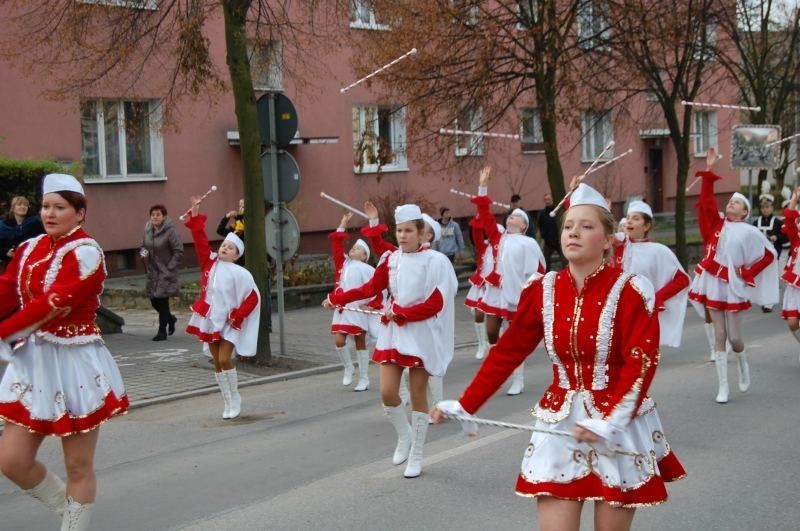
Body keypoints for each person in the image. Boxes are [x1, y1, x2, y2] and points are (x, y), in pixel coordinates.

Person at [432, 181, 685, 530]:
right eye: (568, 226)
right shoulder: (543, 289)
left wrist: (612, 421)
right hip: (560, 421)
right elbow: (508, 351)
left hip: (617, 425)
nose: (573, 233)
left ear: (608, 239)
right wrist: (467, 404)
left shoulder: (631, 291)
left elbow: (640, 363)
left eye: (587, 226)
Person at [0, 173, 128, 531]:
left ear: (80, 212)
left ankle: (74, 523)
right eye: (45, 206)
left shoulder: (87, 254)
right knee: (11, 460)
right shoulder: (29, 249)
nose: (49, 214)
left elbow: (51, 303)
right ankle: (68, 509)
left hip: (75, 363)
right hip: (34, 361)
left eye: (60, 207)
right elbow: (7, 290)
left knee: (77, 465)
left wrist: (4, 333)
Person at [324, 204, 457, 478]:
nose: (403, 235)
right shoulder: (391, 260)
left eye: (409, 230)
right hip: (394, 333)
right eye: (399, 230)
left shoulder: (436, 261)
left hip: (421, 335)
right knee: (387, 392)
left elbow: (437, 302)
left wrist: (403, 312)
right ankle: (404, 434)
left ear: (421, 234)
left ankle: (417, 454)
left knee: (418, 393)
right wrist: (337, 298)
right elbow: (370, 288)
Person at [688, 148, 779, 404]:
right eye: (730, 201)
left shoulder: (750, 232)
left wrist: (748, 272)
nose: (731, 204)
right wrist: (709, 172)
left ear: (744, 212)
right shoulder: (716, 224)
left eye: (736, 203)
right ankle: (723, 386)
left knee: (735, 338)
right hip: (714, 283)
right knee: (719, 335)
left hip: (734, 287)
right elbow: (706, 203)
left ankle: (742, 362)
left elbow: (769, 254)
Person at [184, 197, 260, 419]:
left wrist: (239, 315)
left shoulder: (241, 273)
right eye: (224, 245)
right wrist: (195, 215)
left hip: (230, 321)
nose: (225, 248)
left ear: (237, 255)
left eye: (230, 247)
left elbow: (253, 297)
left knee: (226, 358)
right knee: (217, 361)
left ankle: (235, 396)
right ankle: (226, 400)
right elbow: (200, 241)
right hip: (210, 318)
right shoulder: (210, 263)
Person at [475, 166, 545, 395]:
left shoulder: (529, 244)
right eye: (510, 215)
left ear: (524, 226)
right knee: (492, 332)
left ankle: (518, 379)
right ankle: (497, 368)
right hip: (496, 292)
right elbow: (485, 215)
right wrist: (483, 186)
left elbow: (538, 271)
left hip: (517, 295)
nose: (511, 218)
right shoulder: (497, 237)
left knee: (514, 338)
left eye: (516, 217)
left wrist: (529, 294)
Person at [614, 200, 690, 348]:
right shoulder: (616, 247)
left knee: (637, 353)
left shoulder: (658, 251)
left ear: (646, 226)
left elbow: (682, 280)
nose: (629, 221)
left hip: (641, 311)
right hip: (616, 308)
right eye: (628, 217)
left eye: (636, 218)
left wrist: (658, 297)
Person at [328, 212, 376, 392]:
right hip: (342, 307)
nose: (353, 250)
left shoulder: (368, 269)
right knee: (339, 340)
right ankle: (348, 367)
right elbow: (336, 245)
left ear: (365, 256)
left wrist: (372, 304)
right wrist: (342, 224)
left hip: (358, 309)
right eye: (353, 247)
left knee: (359, 342)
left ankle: (364, 378)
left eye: (358, 249)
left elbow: (378, 288)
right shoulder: (343, 264)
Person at [141, 204, 183, 341]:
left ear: (164, 216)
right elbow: (144, 246)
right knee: (154, 301)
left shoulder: (170, 231)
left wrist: (170, 267)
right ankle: (170, 319)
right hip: (152, 272)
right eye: (153, 215)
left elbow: (178, 250)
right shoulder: (148, 230)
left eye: (158, 214)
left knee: (162, 300)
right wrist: (143, 255)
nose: (155, 217)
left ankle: (162, 331)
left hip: (165, 272)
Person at [752, 193, 786, 312]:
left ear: (772, 208)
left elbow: (786, 236)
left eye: (767, 207)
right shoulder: (756, 223)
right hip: (760, 256)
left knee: (771, 278)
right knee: (761, 279)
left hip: (773, 255)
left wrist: (777, 237)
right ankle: (763, 299)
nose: (765, 209)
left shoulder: (778, 222)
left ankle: (770, 302)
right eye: (763, 207)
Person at [779, 187, 800, 362]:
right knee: (793, 323)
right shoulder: (796, 236)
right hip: (796, 283)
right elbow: (789, 220)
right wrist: (795, 198)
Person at [0, 195, 45, 268]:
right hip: (10, 264)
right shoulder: (3, 226)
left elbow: (44, 240)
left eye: (25, 205)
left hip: (32, 262)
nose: (23, 207)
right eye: (19, 205)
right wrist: (6, 252)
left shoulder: (36, 223)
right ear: (13, 208)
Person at [535, 192, 563, 271]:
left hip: (559, 240)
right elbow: (540, 226)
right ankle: (545, 275)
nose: (547, 201)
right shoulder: (542, 214)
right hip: (548, 242)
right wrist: (544, 236)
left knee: (566, 259)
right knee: (545, 260)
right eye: (545, 200)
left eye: (549, 199)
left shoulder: (559, 212)